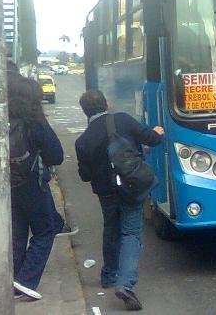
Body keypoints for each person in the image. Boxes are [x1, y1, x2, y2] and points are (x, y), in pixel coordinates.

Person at [75, 89, 164, 311]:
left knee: (111, 228)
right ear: (106, 104)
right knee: (131, 233)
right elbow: (151, 139)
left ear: (85, 111)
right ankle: (126, 284)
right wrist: (158, 132)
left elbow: (85, 175)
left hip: (106, 192)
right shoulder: (122, 119)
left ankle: (108, 275)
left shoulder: (83, 140)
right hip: (130, 186)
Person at [8, 72, 66, 301]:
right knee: (46, 230)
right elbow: (57, 155)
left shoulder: (4, 119)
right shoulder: (36, 123)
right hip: (32, 183)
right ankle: (26, 280)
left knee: (18, 233)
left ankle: (13, 279)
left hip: (8, 186)